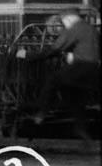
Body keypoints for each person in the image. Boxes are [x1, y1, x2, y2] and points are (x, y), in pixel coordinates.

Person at [16, 8, 100, 141]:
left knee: (53, 80)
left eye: (63, 22)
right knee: (74, 96)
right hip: (94, 69)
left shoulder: (74, 29)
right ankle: (81, 128)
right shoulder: (90, 28)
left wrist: (27, 55)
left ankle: (41, 112)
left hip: (81, 66)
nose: (63, 25)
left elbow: (53, 50)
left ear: (69, 19)